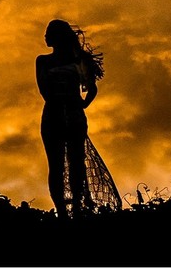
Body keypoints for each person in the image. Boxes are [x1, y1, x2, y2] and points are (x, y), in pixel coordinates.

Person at [35, 19, 118, 218]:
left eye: (49, 33)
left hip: (74, 117)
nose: (45, 37)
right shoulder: (43, 61)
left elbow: (91, 88)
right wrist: (64, 101)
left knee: (76, 163)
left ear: (58, 37)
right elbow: (44, 90)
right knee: (55, 165)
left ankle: (79, 209)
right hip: (53, 116)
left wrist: (82, 104)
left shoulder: (80, 61)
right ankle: (62, 211)